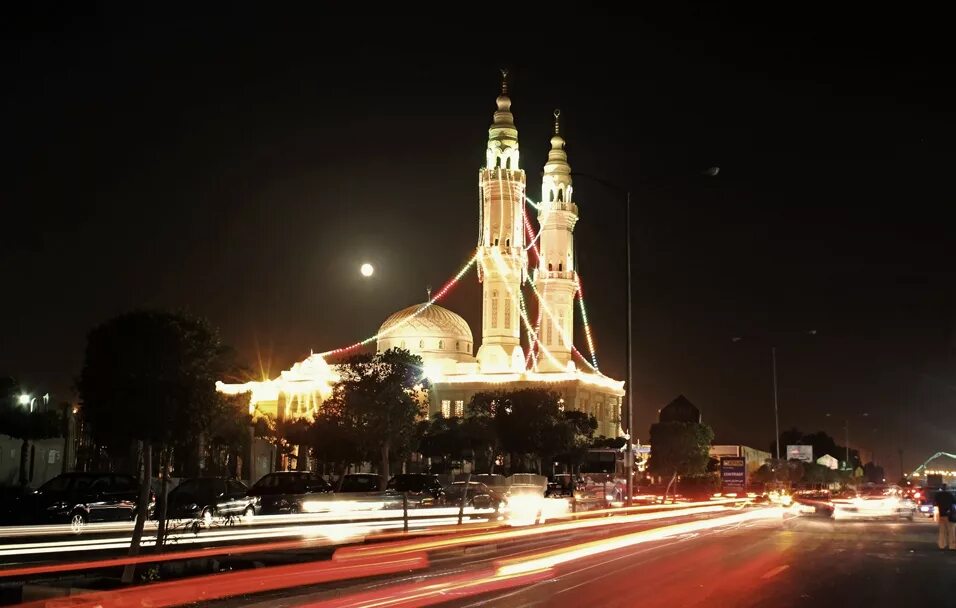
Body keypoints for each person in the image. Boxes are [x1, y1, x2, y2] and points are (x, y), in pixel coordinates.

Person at [933, 484, 956, 550]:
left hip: (941, 515)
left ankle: (942, 545)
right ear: (947, 488)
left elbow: (935, 504)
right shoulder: (950, 495)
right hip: (950, 515)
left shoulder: (938, 495)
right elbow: (954, 502)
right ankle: (952, 546)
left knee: (942, 531)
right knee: (951, 531)